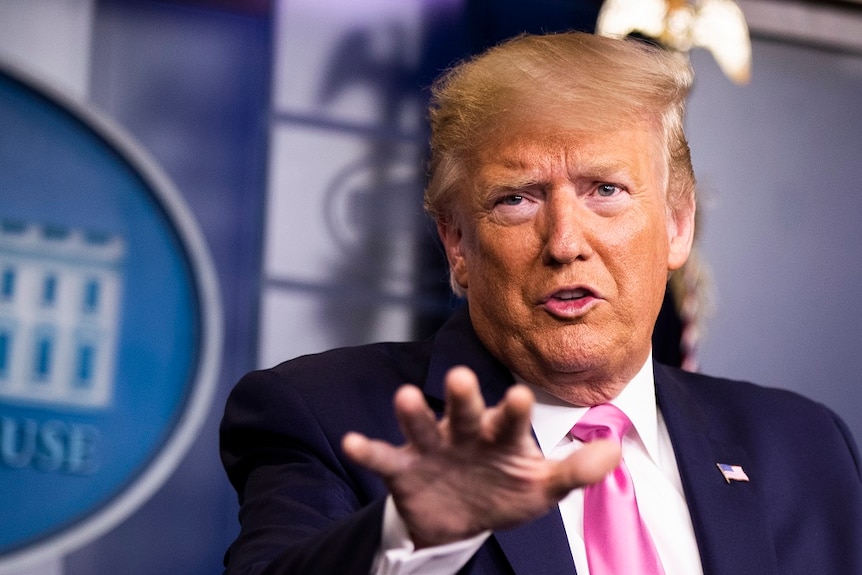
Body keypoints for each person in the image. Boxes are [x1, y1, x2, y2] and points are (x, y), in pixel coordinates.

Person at [220, 32, 862, 575]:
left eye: (605, 189)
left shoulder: (805, 446)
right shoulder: (324, 416)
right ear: (456, 244)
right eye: (516, 199)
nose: (564, 243)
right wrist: (411, 536)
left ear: (677, 224)